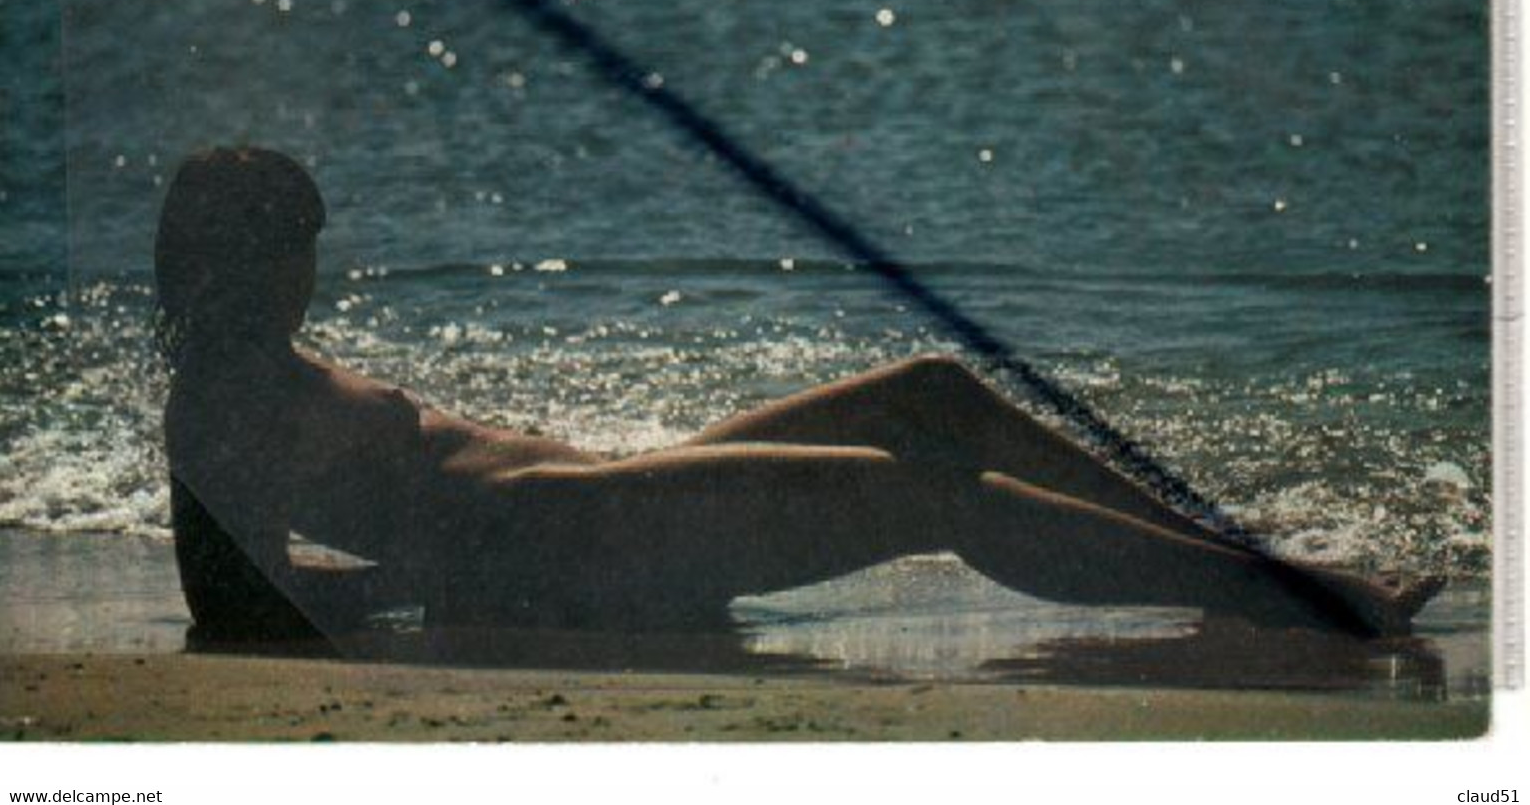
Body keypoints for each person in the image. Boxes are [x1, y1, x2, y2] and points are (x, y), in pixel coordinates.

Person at [156, 146, 1438, 645]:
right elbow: (228, 607)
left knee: (929, 392)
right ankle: (1297, 602)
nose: (293, 276)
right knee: (929, 495)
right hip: (575, 539)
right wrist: (450, 584)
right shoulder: (218, 398)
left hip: (598, 503)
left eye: (298, 249)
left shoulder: (257, 372)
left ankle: (1230, 551)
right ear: (222, 263)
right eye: (275, 251)